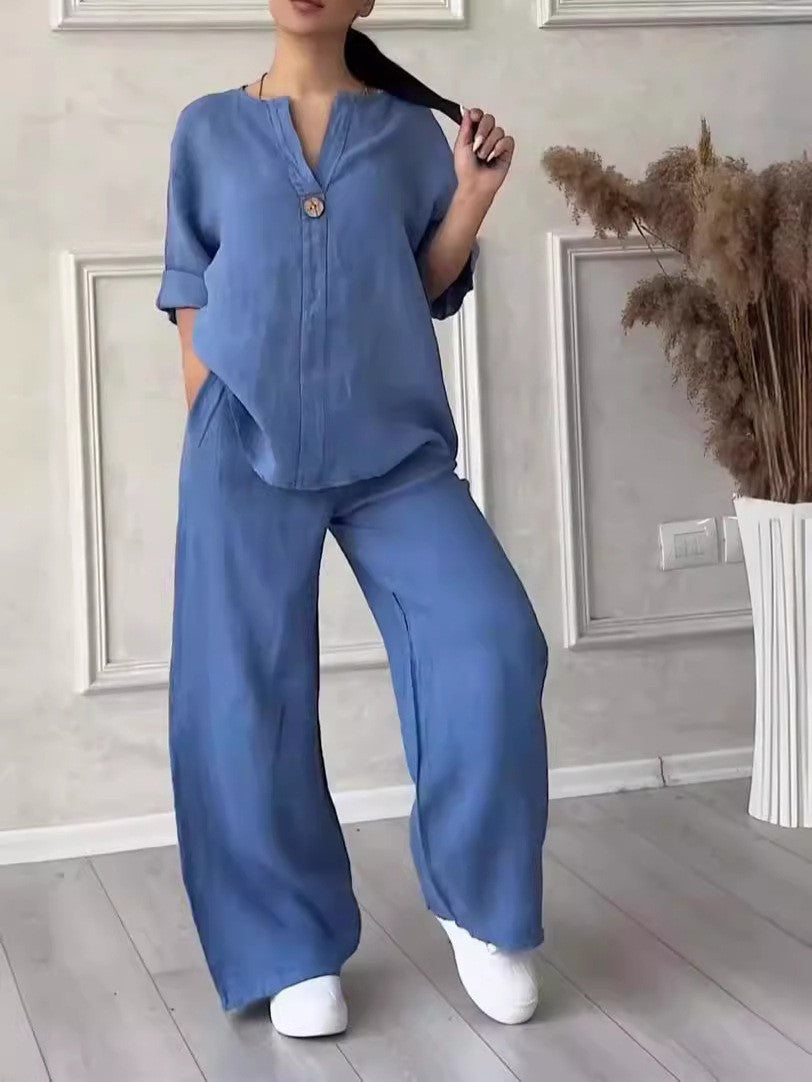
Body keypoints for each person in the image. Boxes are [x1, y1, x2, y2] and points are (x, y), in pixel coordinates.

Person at [156, 0, 549, 1039]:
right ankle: (286, 945)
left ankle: (478, 905)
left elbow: (419, 281)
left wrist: (472, 196)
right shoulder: (206, 130)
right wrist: (207, 426)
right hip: (242, 439)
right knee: (244, 692)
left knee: (489, 638)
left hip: (391, 445)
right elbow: (192, 292)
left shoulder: (408, 133)